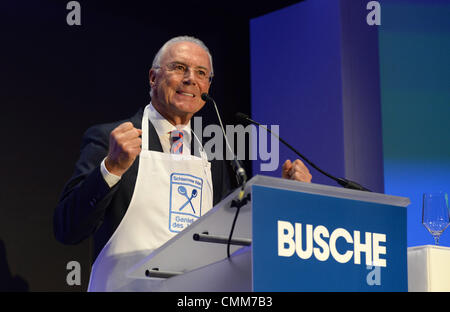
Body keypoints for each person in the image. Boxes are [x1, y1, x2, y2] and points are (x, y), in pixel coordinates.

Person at [54, 35, 312, 291]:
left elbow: (234, 233)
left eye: (201, 73)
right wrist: (111, 168)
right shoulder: (111, 140)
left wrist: (283, 196)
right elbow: (68, 229)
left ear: (207, 88)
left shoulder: (216, 154)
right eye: (179, 68)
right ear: (153, 78)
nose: (191, 78)